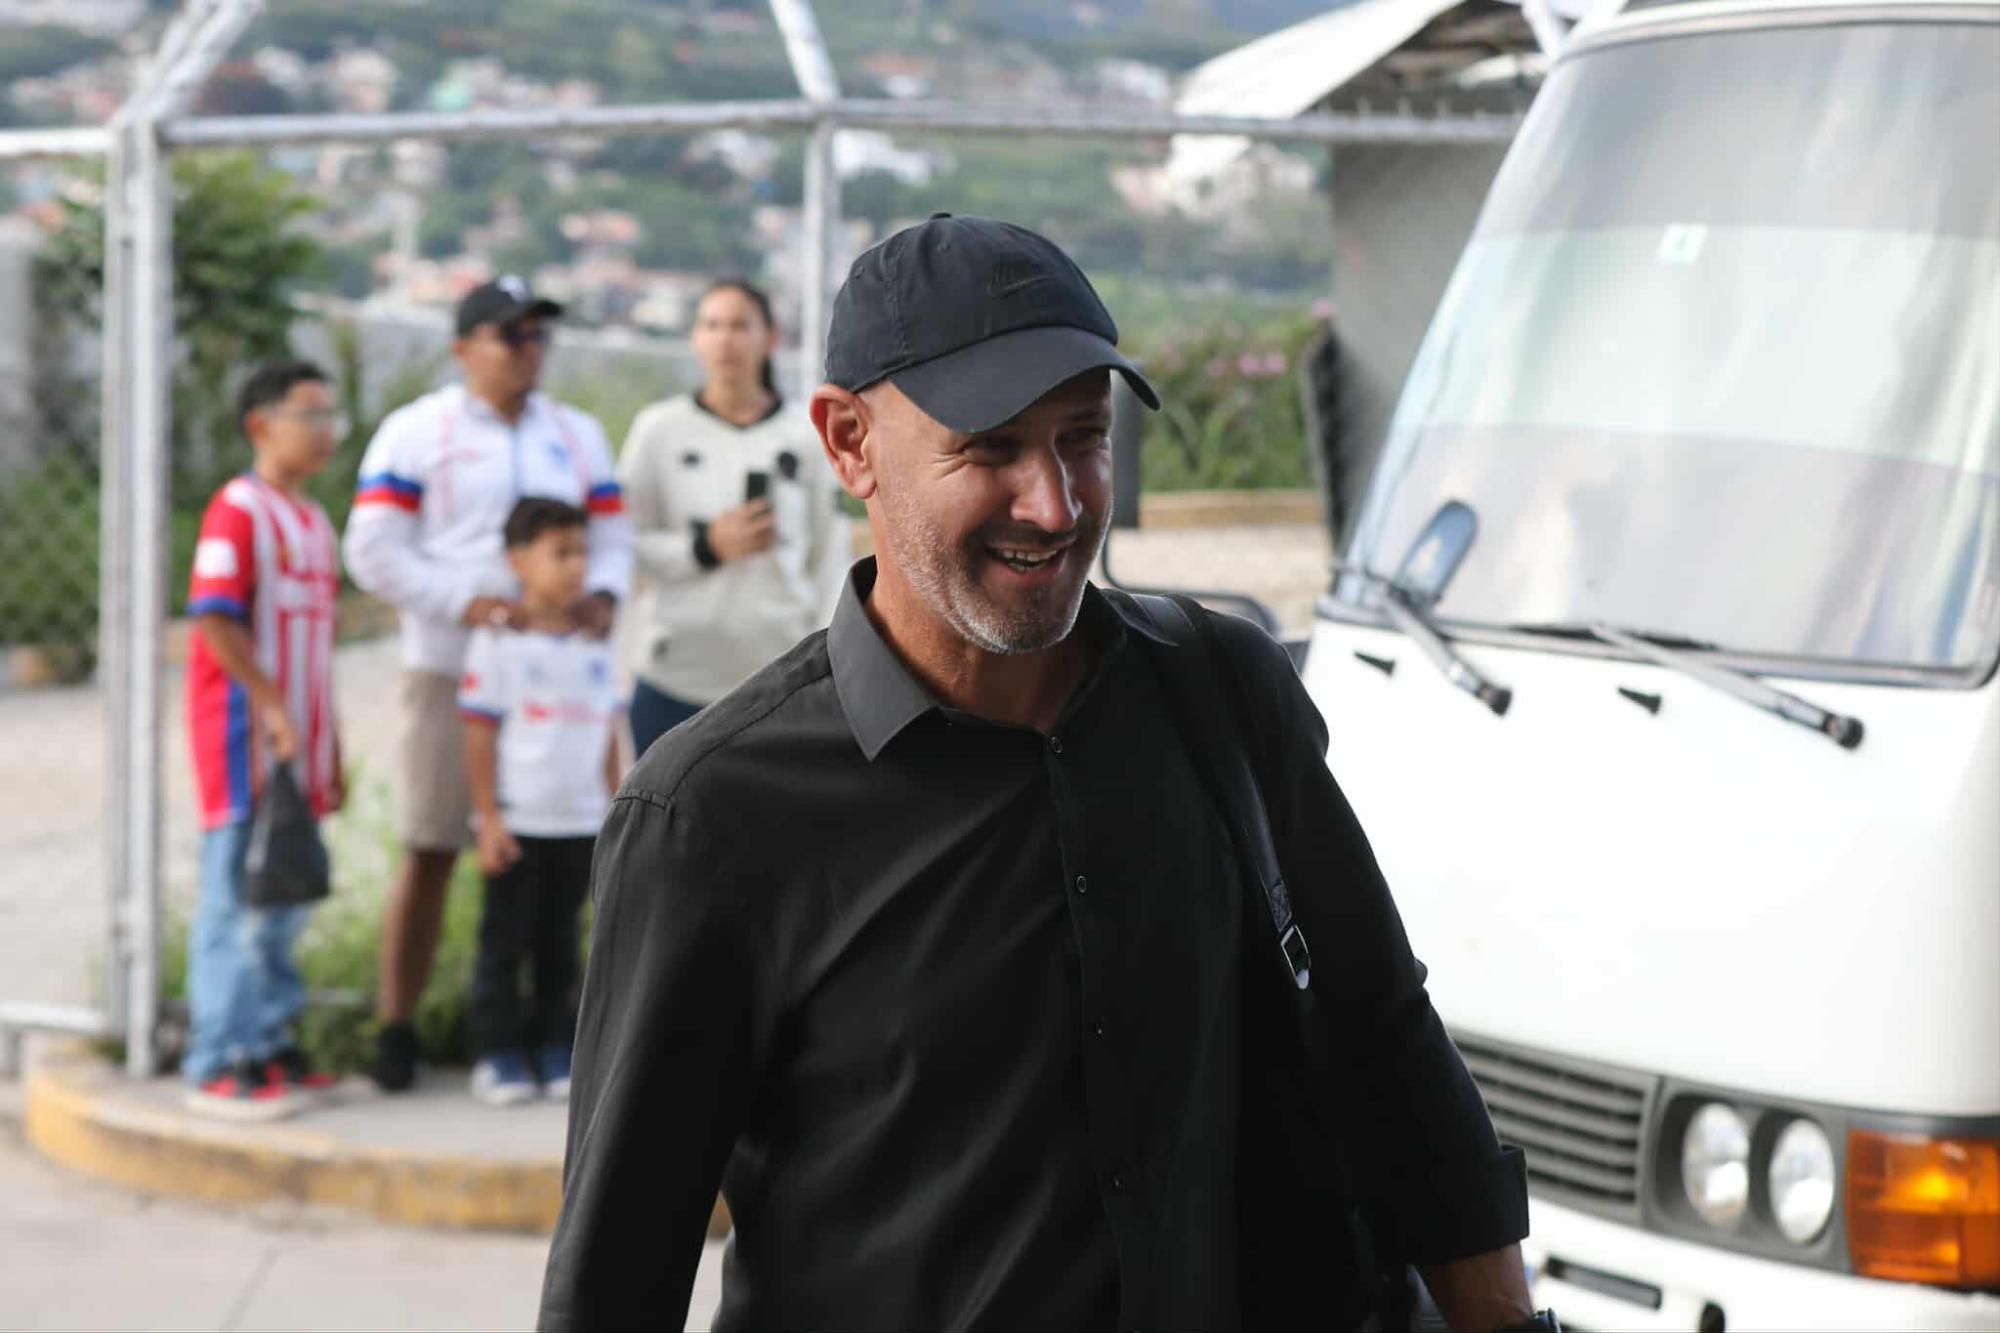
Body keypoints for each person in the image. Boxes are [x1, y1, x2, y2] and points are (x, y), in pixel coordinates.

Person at [539, 216, 1544, 1332]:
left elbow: (1383, 1040)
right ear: (847, 441)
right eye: (991, 450)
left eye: (1081, 437)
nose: (1055, 505)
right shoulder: (711, 816)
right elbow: (617, 1276)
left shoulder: (1220, 692)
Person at [344, 276, 632, 1093]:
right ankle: (395, 1026)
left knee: (553, 870)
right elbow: (370, 546)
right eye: (512, 335)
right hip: (451, 669)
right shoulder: (418, 430)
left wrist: (602, 595)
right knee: (433, 842)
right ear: (463, 347)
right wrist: (462, 603)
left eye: (539, 334)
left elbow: (611, 537)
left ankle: (545, 1036)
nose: (529, 349)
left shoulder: (574, 435)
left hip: (559, 683)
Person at [182, 359, 346, 1119]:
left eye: (329, 417)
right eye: (308, 416)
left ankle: (273, 1039)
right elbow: (214, 615)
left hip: (300, 746)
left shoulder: (313, 522)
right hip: (246, 742)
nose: (326, 433)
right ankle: (219, 1053)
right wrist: (269, 700)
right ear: (261, 424)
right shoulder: (238, 509)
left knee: (284, 897)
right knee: (234, 897)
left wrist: (329, 742)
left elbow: (321, 645)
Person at [617, 278, 841, 756]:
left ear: (771, 338)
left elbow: (827, 556)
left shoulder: (805, 435)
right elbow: (624, 543)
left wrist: (824, 656)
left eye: (740, 325)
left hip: (776, 680)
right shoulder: (659, 431)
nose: (724, 339)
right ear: (695, 338)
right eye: (711, 324)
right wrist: (705, 546)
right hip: (674, 675)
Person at [458, 498, 623, 1107]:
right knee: (505, 942)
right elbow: (478, 734)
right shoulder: (496, 646)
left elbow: (608, 733)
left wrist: (615, 808)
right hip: (519, 823)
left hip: (580, 823)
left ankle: (555, 1047)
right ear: (519, 561)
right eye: (561, 553)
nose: (576, 567)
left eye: (582, 552)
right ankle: (498, 1054)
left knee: (563, 942)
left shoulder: (598, 644)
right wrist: (489, 818)